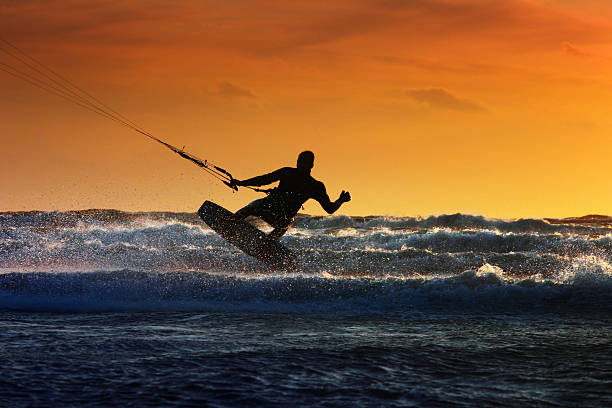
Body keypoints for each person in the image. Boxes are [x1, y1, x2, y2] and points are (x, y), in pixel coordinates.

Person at [229, 151, 351, 241]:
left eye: (301, 161)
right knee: (286, 223)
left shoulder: (292, 174)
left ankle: (234, 224)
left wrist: (241, 182)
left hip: (269, 209)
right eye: (299, 161)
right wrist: (341, 200)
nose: (299, 163)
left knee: (255, 206)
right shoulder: (314, 185)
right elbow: (330, 209)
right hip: (278, 215)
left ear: (308, 164)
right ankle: (266, 241)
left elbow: (264, 179)